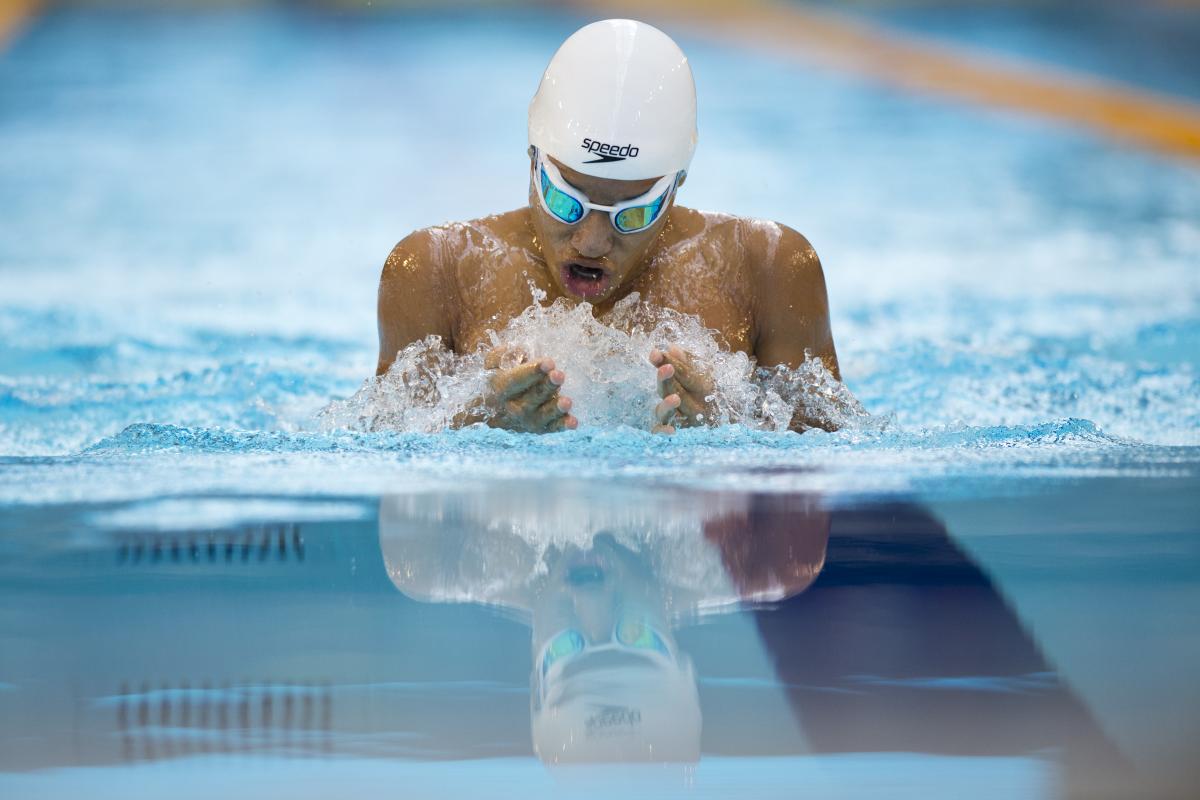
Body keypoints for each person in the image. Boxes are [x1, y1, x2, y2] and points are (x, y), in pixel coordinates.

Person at [376, 19, 841, 434]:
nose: (591, 241)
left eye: (632, 213)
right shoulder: (437, 271)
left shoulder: (767, 269)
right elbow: (382, 445)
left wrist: (728, 422)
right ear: (532, 159)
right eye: (566, 201)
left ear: (676, 186)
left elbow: (836, 452)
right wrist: (479, 415)